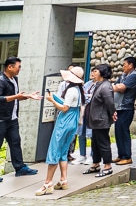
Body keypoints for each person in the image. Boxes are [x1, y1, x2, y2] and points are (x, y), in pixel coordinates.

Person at [35, 66, 85, 196]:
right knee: (63, 151)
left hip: (64, 122)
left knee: (54, 151)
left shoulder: (70, 90)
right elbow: (69, 104)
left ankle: (47, 183)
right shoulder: (78, 90)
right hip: (72, 123)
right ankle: (63, 180)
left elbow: (64, 108)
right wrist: (55, 97)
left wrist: (52, 100)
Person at [0, 56, 42, 181]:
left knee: (15, 142)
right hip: (1, 119)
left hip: (12, 118)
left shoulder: (14, 79)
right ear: (10, 67)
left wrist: (28, 96)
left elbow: (16, 97)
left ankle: (20, 168)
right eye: (18, 67)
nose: (20, 69)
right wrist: (16, 96)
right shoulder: (1, 80)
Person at [84, 64, 116, 178]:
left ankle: (108, 166)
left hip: (101, 120)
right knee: (95, 143)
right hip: (96, 120)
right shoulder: (98, 85)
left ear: (102, 72)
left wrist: (113, 113)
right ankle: (96, 164)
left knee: (103, 143)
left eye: (95, 71)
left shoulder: (106, 86)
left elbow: (109, 102)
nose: (93, 73)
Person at [112, 56, 136, 165]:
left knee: (123, 131)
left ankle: (127, 156)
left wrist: (117, 87)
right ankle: (121, 154)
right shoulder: (124, 75)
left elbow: (122, 87)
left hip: (127, 107)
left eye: (124, 64)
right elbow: (115, 85)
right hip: (119, 107)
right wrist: (116, 86)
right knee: (118, 131)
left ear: (131, 65)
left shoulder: (134, 76)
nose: (123, 66)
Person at [72, 67, 96, 165]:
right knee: (81, 133)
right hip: (83, 111)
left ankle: (92, 155)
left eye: (95, 71)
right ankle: (82, 155)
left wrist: (88, 96)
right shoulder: (88, 83)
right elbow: (82, 95)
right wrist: (88, 96)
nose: (93, 73)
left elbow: (93, 97)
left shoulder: (100, 85)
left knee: (92, 135)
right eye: (92, 71)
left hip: (92, 111)